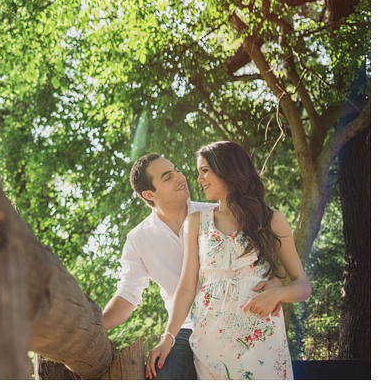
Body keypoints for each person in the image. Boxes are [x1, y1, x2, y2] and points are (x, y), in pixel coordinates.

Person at [101, 153, 280, 380]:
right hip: (185, 328)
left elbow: (260, 263)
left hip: (235, 318)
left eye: (176, 170)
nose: (181, 177)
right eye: (168, 177)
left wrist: (276, 283)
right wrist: (93, 329)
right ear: (149, 194)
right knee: (163, 374)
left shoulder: (217, 215)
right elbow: (128, 294)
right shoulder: (138, 239)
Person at [146, 141, 311, 380]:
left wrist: (277, 294)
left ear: (227, 169)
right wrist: (167, 338)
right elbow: (186, 288)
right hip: (210, 344)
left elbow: (303, 285)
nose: (199, 179)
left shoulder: (271, 219)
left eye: (205, 170)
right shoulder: (196, 222)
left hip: (261, 342)